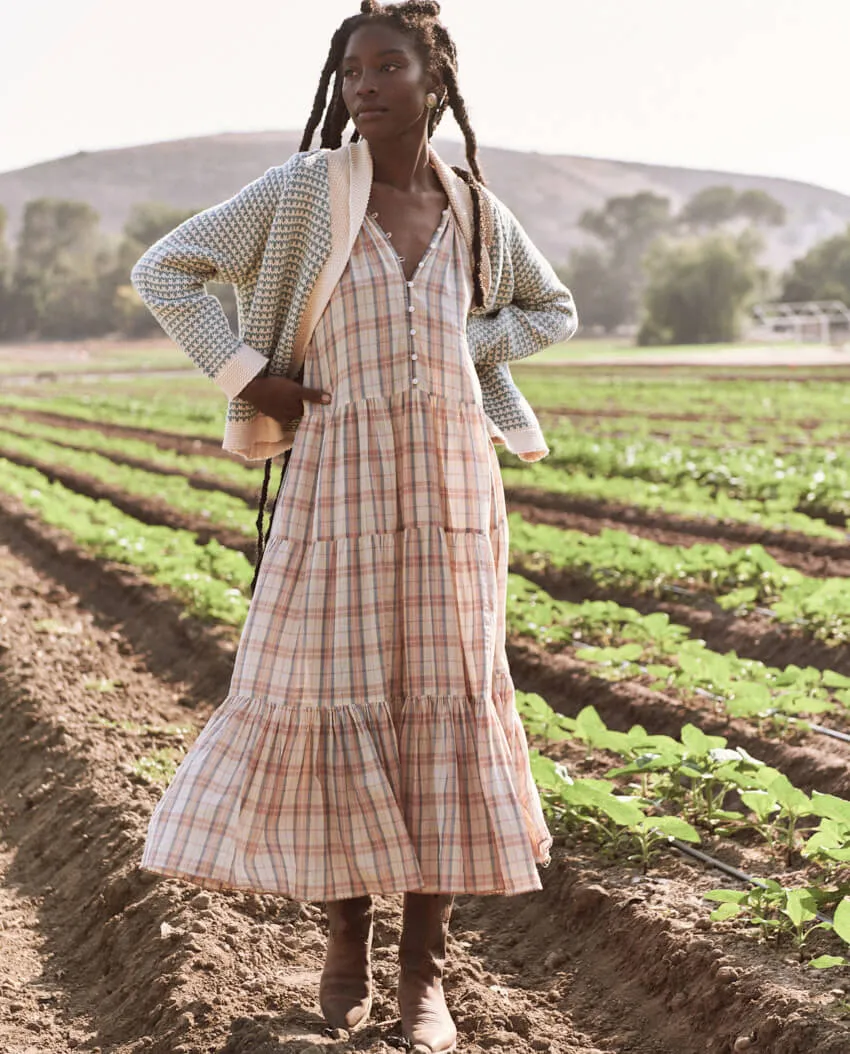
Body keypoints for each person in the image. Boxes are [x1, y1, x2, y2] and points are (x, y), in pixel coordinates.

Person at [130, 3, 577, 1051]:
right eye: (349, 70)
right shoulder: (301, 195)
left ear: (434, 80)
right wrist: (252, 375)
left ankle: (423, 977)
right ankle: (345, 946)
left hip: (456, 498)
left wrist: (473, 341)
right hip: (336, 489)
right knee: (340, 695)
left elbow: (549, 307)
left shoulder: (470, 207)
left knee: (441, 709)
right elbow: (168, 271)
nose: (363, 85)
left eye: (387, 66)